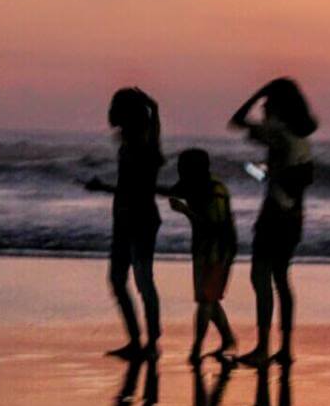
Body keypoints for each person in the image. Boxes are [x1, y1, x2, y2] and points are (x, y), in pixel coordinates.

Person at [229, 78, 317, 366]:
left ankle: (263, 348)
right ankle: (285, 348)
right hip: (294, 215)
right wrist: (266, 173)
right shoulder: (301, 135)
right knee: (281, 278)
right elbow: (289, 175)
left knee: (260, 276)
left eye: (268, 104)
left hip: (275, 214)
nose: (264, 108)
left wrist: (258, 91)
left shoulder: (278, 131)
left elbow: (236, 121)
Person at [85, 87, 165, 359]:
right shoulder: (131, 144)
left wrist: (103, 188)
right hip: (125, 218)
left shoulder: (143, 145)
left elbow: (138, 189)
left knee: (141, 281)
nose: (110, 112)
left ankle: (150, 343)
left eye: (115, 107)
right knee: (119, 280)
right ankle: (136, 341)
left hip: (140, 219)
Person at [164, 148, 238, 363]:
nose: (179, 171)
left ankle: (196, 349)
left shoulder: (214, 191)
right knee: (209, 299)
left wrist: (185, 211)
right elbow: (172, 190)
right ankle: (227, 338)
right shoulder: (196, 186)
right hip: (204, 249)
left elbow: (213, 227)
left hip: (218, 251)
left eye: (182, 168)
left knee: (206, 300)